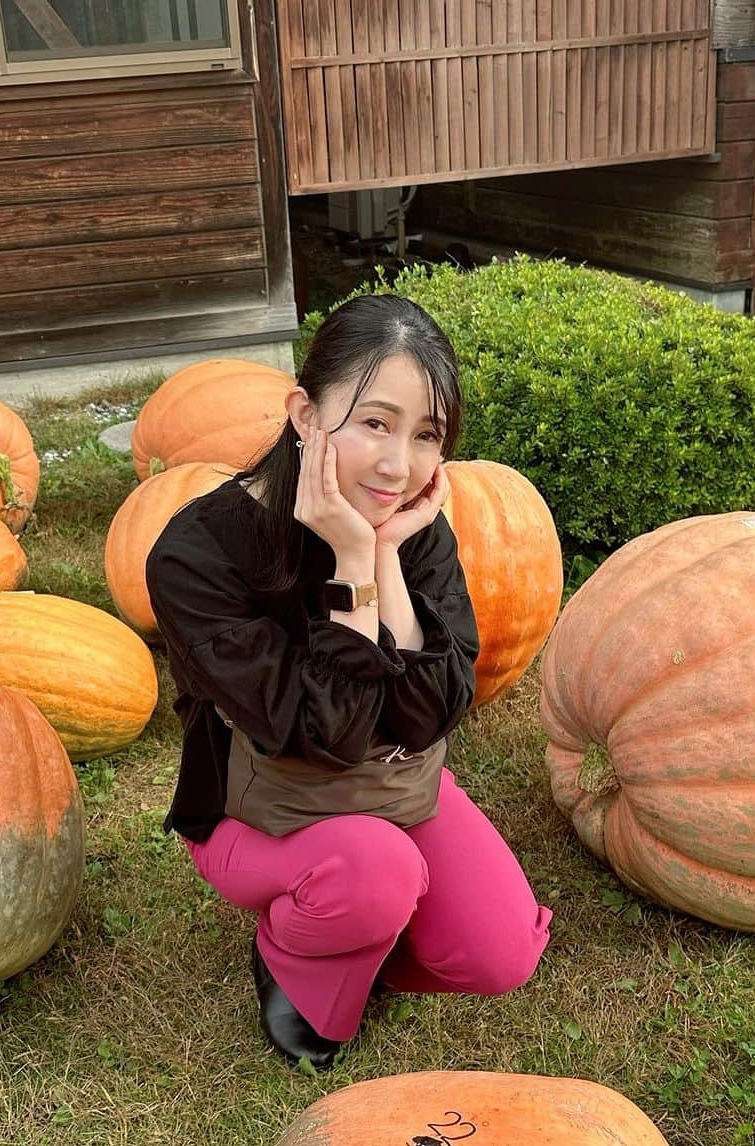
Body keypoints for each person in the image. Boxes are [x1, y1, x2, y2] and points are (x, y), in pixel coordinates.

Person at [146, 294, 552, 1069]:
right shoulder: (194, 556)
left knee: (500, 953)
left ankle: (364, 928)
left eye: (425, 434)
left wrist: (388, 556)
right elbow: (324, 733)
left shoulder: (415, 526)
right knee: (377, 872)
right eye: (375, 422)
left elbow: (432, 712)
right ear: (305, 413)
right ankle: (292, 951)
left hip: (392, 791)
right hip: (261, 809)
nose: (399, 465)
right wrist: (351, 566)